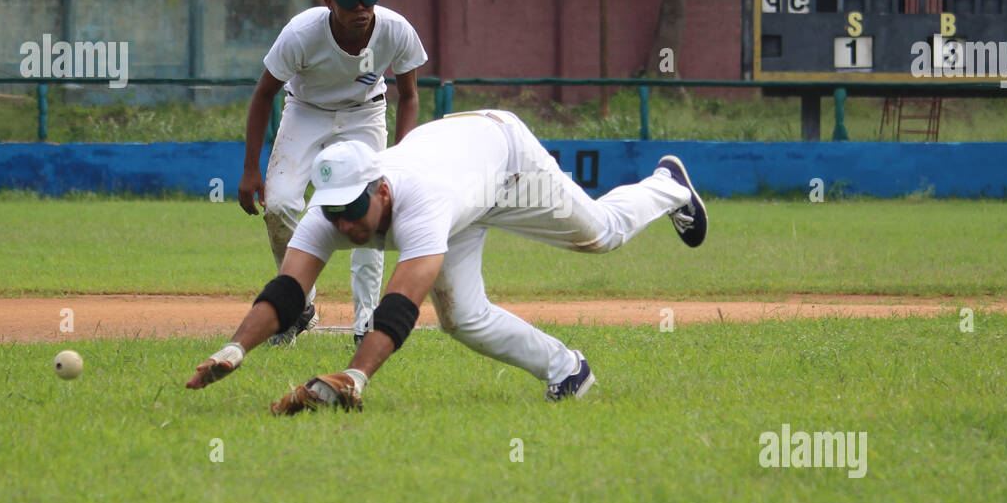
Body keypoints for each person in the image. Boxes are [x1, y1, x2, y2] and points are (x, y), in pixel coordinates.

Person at [188, 109, 708, 411]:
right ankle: (569, 370)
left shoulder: (422, 203)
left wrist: (355, 377)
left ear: (383, 190)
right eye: (334, 211)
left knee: (601, 234)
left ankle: (666, 186)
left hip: (505, 163)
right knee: (464, 318)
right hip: (459, 173)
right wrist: (233, 350)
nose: (344, 223)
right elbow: (286, 291)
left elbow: (399, 305)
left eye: (353, 208)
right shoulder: (330, 212)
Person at [238, 0, 429, 346]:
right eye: (350, 0)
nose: (363, 9)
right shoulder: (300, 34)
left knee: (372, 212)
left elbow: (408, 97)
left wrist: (401, 158)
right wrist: (250, 170)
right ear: (329, 2)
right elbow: (263, 95)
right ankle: (300, 305)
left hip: (365, 113)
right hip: (306, 111)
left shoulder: (396, 30)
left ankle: (366, 324)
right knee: (278, 205)